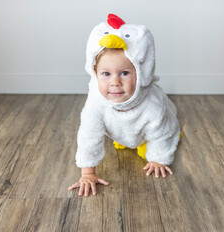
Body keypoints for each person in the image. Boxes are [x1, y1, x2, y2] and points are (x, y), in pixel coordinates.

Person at [68, 14, 181, 197]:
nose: (115, 82)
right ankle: (126, 140)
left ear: (141, 74)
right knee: (109, 136)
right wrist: (88, 174)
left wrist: (159, 159)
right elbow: (89, 136)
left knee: (160, 139)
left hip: (146, 134)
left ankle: (144, 145)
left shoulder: (152, 106)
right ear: (95, 73)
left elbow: (163, 132)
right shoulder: (96, 103)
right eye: (106, 74)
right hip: (121, 131)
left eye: (125, 73)